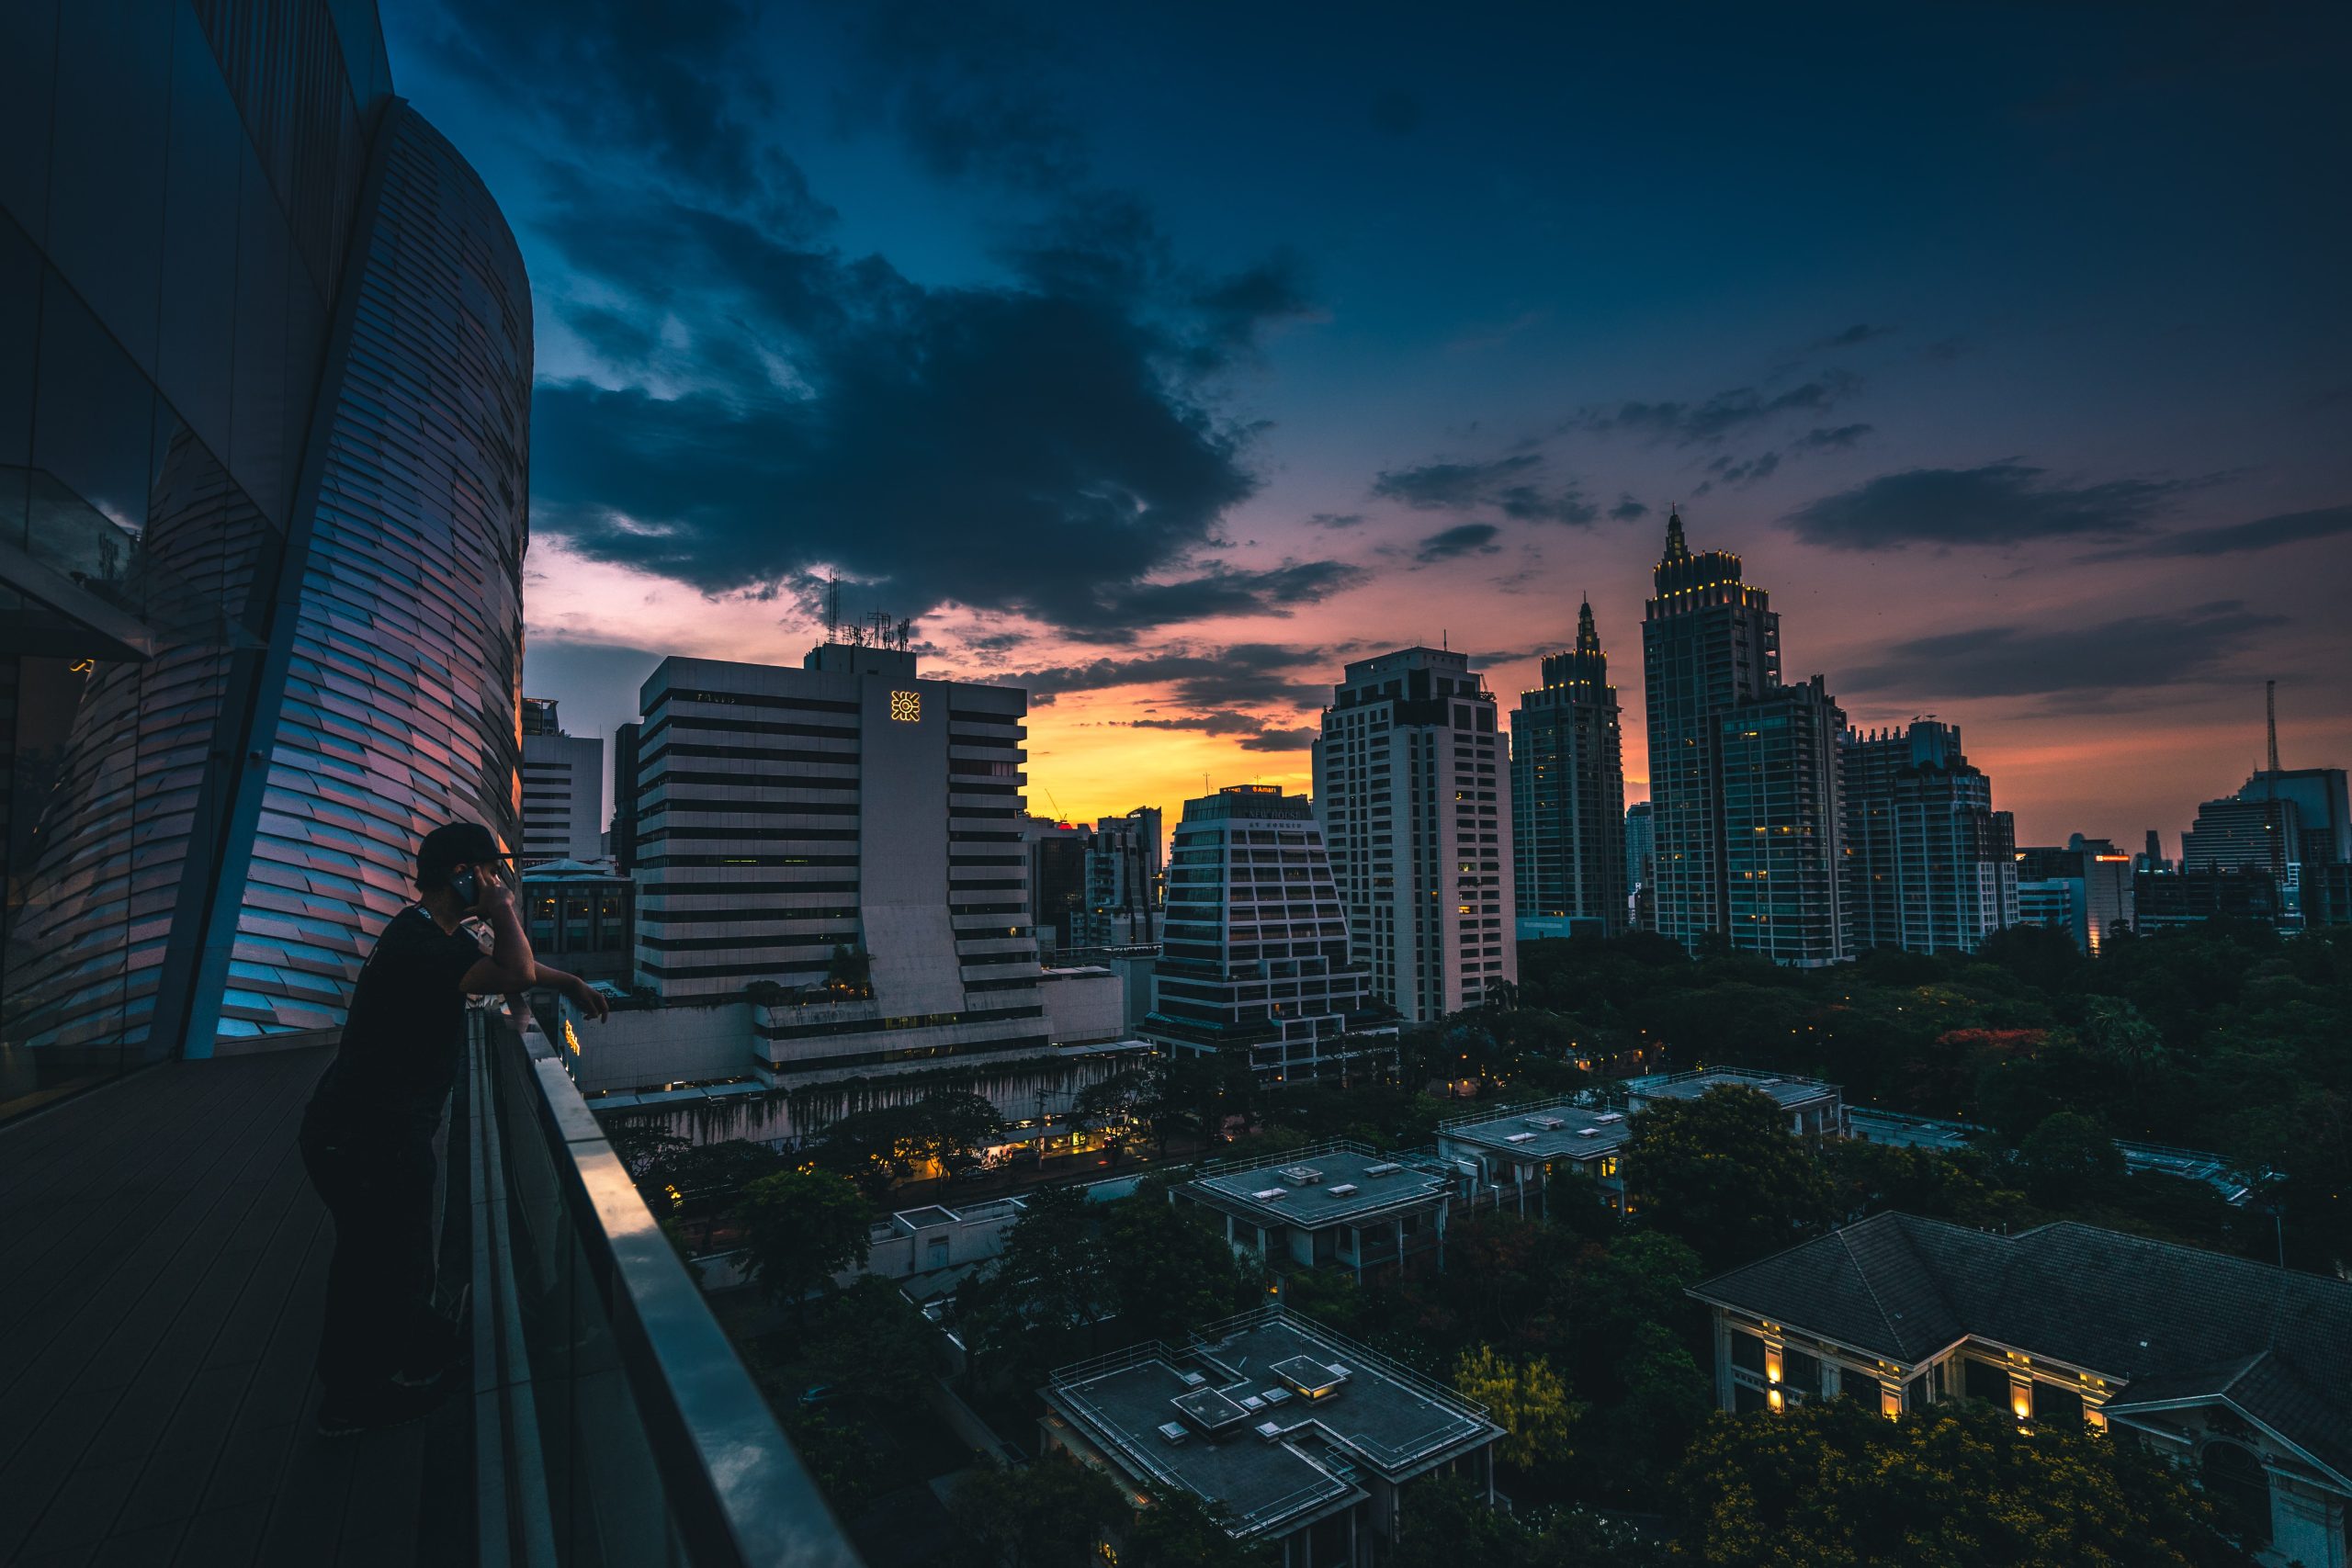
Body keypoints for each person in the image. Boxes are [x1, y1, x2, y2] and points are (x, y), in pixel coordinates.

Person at [298, 820, 609, 1437]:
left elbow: (507, 969)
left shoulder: (427, 935)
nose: (499, 880)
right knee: (382, 1265)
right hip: (367, 1136)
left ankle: (393, 1361)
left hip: (364, 1128)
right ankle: (354, 1400)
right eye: (490, 870)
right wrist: (501, 910)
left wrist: (568, 979)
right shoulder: (424, 946)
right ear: (461, 875)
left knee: (382, 1260)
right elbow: (512, 972)